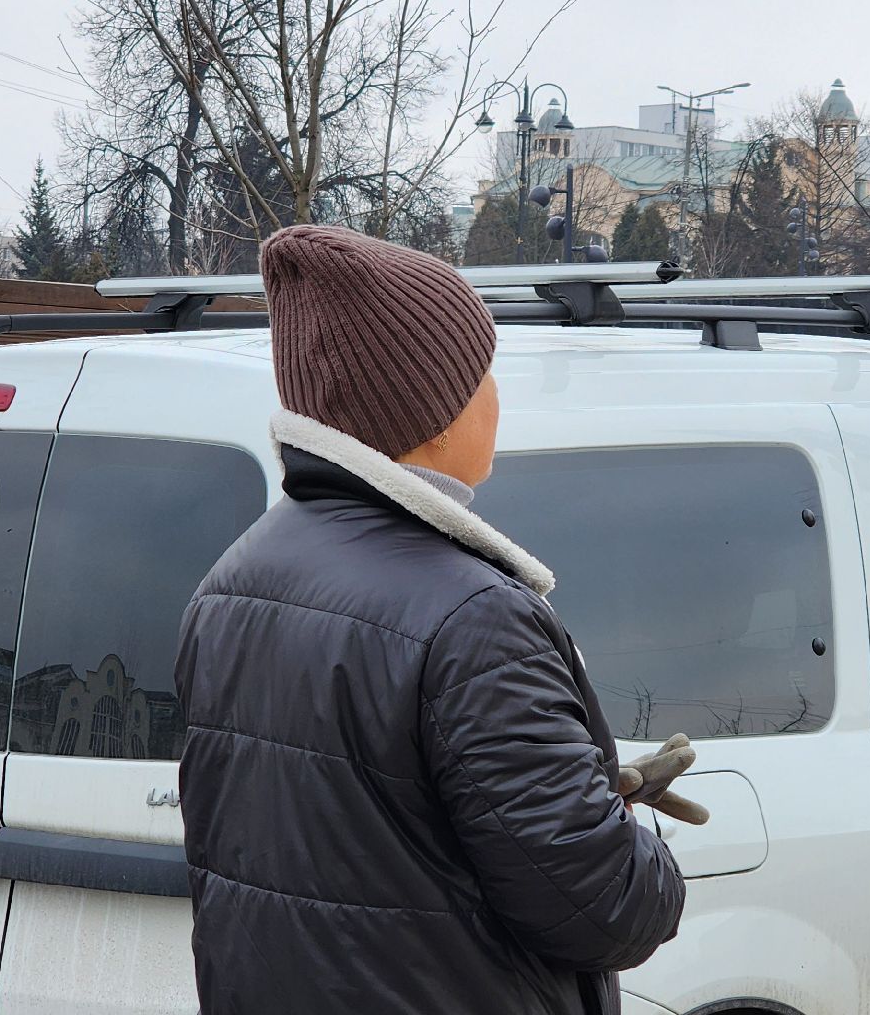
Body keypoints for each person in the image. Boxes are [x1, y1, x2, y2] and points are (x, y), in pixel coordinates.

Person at [175, 225, 692, 1015]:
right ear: (435, 410)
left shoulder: (229, 582)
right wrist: (632, 840)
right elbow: (603, 906)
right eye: (483, 374)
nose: (495, 396)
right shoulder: (475, 619)